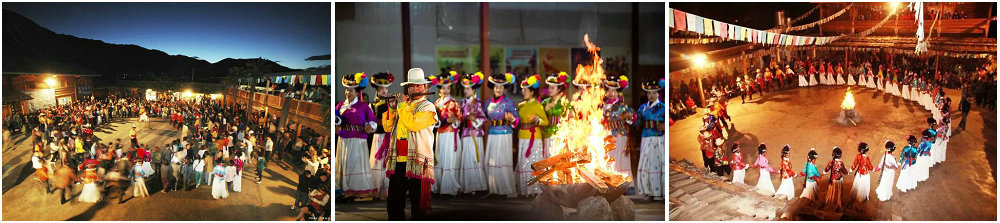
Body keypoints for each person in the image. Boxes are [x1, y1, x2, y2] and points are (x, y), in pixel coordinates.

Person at [384, 68, 439, 220]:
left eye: (418, 85)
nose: (415, 88)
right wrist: (393, 107)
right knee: (394, 203)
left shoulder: (428, 107)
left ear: (424, 87)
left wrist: (401, 106)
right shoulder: (404, 106)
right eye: (411, 86)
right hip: (399, 161)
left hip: (417, 162)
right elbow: (388, 127)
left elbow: (413, 124)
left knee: (417, 205)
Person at [335, 72, 378, 199]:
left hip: (358, 140)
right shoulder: (340, 106)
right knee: (343, 163)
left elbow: (373, 120)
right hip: (343, 139)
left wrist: (371, 126)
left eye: (351, 90)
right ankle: (343, 189)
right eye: (347, 90)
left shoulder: (363, 106)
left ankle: (356, 190)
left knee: (354, 163)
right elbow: (337, 119)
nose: (348, 93)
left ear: (357, 91)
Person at [483, 72, 518, 198]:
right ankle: (493, 189)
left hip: (504, 134)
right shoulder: (488, 103)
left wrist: (513, 119)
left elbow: (516, 119)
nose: (499, 89)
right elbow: (484, 116)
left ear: (504, 89)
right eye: (496, 87)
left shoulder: (508, 103)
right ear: (493, 87)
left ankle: (504, 189)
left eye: (501, 87)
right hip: (492, 133)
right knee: (491, 161)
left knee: (502, 161)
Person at [515, 74, 549, 197]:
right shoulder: (520, 105)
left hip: (534, 138)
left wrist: (537, 119)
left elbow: (545, 121)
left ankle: (534, 190)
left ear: (532, 91)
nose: (523, 92)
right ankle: (524, 190)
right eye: (522, 90)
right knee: (523, 162)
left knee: (532, 162)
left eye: (526, 90)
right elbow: (517, 121)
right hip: (522, 136)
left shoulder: (538, 105)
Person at [431, 71, 463, 196]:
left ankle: (449, 188)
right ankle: (439, 186)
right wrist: (438, 122)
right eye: (443, 88)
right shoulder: (436, 104)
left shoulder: (454, 103)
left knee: (449, 159)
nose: (445, 90)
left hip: (450, 135)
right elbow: (433, 120)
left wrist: (454, 120)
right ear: (439, 89)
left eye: (448, 88)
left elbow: (460, 118)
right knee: (440, 158)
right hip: (440, 134)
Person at [457, 72, 488, 194]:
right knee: (467, 159)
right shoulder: (463, 103)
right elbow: (460, 118)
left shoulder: (478, 103)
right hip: (465, 133)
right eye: (465, 89)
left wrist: (475, 120)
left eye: (468, 89)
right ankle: (467, 187)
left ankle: (477, 187)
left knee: (475, 159)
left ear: (474, 90)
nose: (466, 91)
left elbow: (484, 118)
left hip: (475, 134)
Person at [603, 74, 635, 188]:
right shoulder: (603, 106)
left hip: (621, 136)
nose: (611, 93)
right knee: (610, 159)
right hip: (608, 136)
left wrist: (629, 117)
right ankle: (611, 183)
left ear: (618, 92)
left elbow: (633, 118)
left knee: (622, 159)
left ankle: (626, 185)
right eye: (609, 90)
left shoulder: (623, 106)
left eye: (614, 91)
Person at [636, 79, 666, 201]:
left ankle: (658, 192)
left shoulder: (662, 107)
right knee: (646, 163)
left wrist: (664, 127)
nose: (651, 95)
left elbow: (669, 123)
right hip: (645, 137)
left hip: (657, 139)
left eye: (654, 93)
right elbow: (637, 122)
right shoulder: (643, 108)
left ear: (658, 93)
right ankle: (648, 191)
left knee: (656, 164)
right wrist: (629, 118)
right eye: (649, 93)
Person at [368, 72, 394, 198]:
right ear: (377, 89)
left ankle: (389, 188)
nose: (384, 91)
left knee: (389, 162)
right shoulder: (372, 105)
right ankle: (377, 188)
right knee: (377, 161)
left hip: (390, 136)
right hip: (378, 136)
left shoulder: (392, 102)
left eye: (385, 88)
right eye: (381, 88)